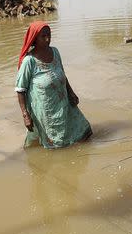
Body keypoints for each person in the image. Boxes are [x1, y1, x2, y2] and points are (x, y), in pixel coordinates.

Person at [15, 21, 92, 149]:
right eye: (43, 36)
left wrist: (71, 93)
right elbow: (20, 89)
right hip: (46, 109)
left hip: (64, 101)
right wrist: (25, 115)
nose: (47, 39)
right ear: (35, 39)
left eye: (49, 35)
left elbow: (62, 74)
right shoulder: (29, 61)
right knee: (57, 144)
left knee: (84, 133)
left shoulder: (55, 52)